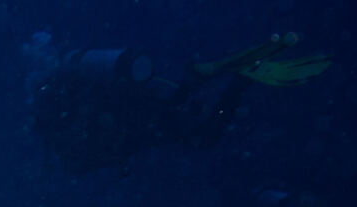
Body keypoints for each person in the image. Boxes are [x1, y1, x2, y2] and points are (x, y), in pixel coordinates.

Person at [31, 33, 330, 174]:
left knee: (202, 136)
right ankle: (195, 79)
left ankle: (237, 81)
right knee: (174, 113)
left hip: (130, 123)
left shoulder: (53, 109)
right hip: (134, 106)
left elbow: (78, 160)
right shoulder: (69, 91)